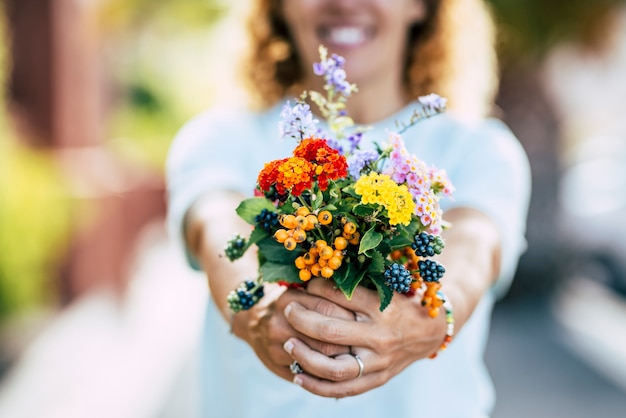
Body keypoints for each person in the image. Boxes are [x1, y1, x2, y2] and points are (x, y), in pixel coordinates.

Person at [166, 0, 531, 416]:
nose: (343, 3)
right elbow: (216, 224)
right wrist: (260, 308)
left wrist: (432, 317)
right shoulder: (220, 137)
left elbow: (473, 247)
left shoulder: (480, 149)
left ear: (422, 7)